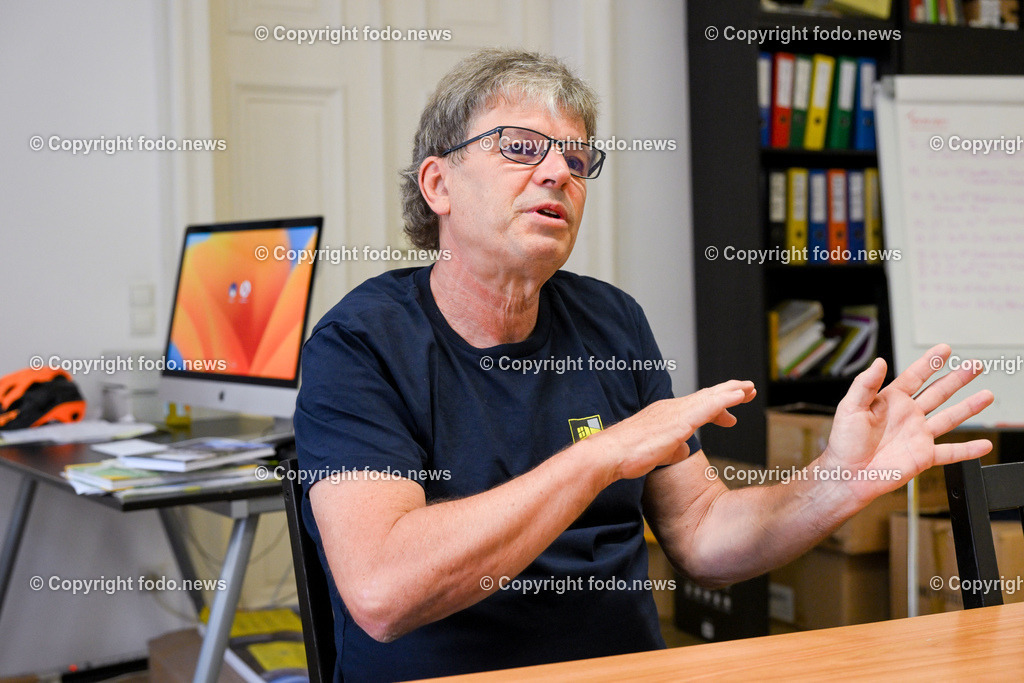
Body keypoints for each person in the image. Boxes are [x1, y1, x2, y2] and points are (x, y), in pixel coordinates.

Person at [294, 48, 993, 682]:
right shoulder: (358, 345)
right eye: (521, 148)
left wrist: (834, 484)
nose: (557, 172)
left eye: (576, 159)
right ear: (438, 184)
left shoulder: (612, 321)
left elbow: (701, 531)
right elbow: (383, 592)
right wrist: (603, 454)